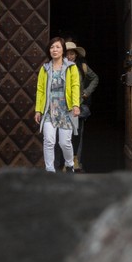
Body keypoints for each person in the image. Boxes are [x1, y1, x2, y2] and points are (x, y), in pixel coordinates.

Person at [35, 36, 79, 173]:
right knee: (49, 141)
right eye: (52, 47)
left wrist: (76, 105)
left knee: (64, 143)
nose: (54, 50)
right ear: (49, 50)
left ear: (63, 50)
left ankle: (70, 164)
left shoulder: (71, 68)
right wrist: (38, 110)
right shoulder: (45, 69)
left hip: (66, 109)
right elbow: (40, 90)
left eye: (58, 47)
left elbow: (75, 86)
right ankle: (50, 170)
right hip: (49, 109)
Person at [65, 39, 98, 172]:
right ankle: (64, 163)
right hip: (63, 106)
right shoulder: (59, 66)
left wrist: (86, 92)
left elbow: (95, 78)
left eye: (72, 53)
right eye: (67, 54)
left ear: (76, 54)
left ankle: (76, 162)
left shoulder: (82, 67)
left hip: (78, 105)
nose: (69, 56)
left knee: (77, 135)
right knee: (63, 136)